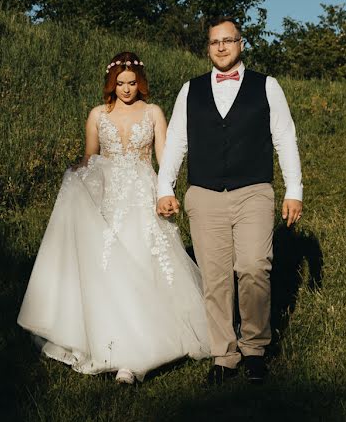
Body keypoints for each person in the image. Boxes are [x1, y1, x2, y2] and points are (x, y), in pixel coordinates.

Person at [17, 52, 210, 384]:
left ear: (140, 82)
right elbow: (90, 158)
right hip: (111, 199)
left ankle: (141, 354)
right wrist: (75, 176)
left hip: (144, 197)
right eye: (120, 83)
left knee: (146, 263)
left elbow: (164, 159)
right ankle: (117, 348)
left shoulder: (153, 112)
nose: (126, 89)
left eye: (132, 82)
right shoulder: (97, 114)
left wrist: (168, 191)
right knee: (110, 270)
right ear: (111, 84)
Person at [156, 16, 304, 386]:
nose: (221, 47)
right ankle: (225, 355)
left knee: (254, 266)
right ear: (207, 48)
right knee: (216, 279)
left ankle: (254, 349)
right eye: (214, 42)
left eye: (228, 40)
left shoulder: (267, 87)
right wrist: (165, 188)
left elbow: (285, 137)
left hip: (253, 190)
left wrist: (294, 190)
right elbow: (175, 141)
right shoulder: (190, 91)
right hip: (204, 194)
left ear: (241, 44)